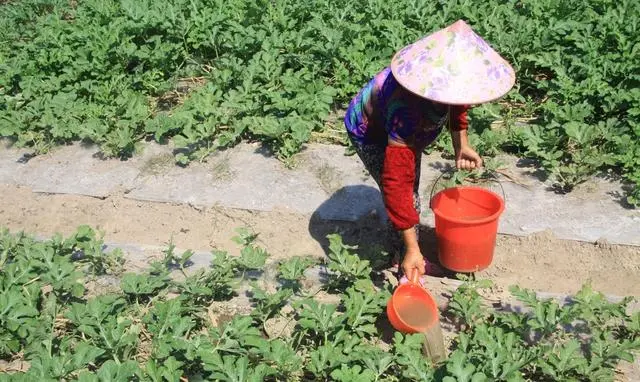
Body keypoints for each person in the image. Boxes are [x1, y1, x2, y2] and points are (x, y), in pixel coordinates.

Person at [344, 20, 515, 281]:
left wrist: (462, 145)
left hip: (405, 130)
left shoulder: (445, 85)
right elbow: (396, 181)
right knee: (406, 194)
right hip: (370, 133)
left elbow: (458, 102)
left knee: (410, 192)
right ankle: (403, 258)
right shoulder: (407, 110)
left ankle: (405, 250)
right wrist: (413, 247)